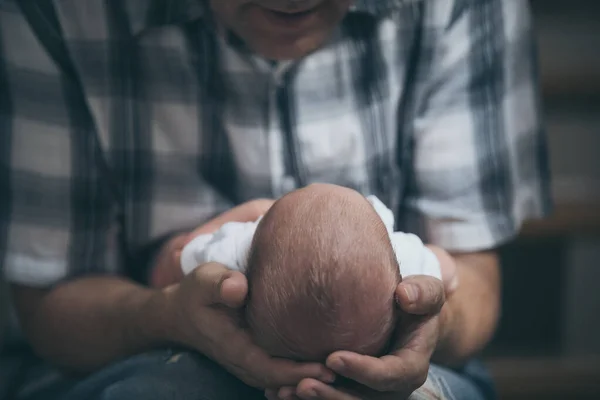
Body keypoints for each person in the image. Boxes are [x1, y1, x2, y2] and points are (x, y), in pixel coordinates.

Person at [0, 0, 550, 399]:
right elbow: (56, 308)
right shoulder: (56, 13)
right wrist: (164, 314)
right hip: (152, 358)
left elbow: (467, 286)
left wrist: (430, 323)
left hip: (406, 371)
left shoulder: (233, 249)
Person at [159, 184, 444, 362]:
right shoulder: (402, 255)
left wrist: (253, 210)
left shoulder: (236, 250)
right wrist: (443, 265)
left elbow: (181, 256)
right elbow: (445, 270)